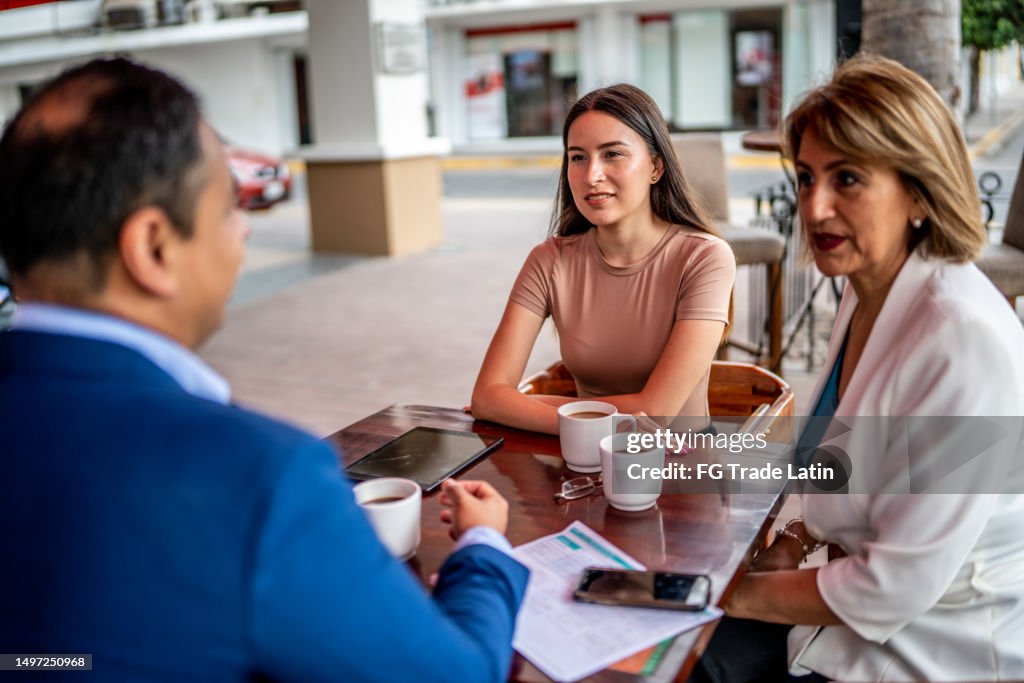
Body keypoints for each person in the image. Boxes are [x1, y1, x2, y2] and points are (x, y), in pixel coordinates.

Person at [0, 58, 528, 682]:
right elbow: (458, 675)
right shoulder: (255, 475)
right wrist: (485, 549)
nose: (243, 232)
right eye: (228, 207)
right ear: (153, 247)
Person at [691, 54, 1024, 682]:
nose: (813, 210)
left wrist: (726, 595)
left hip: (932, 649)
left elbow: (890, 588)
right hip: (846, 607)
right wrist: (795, 535)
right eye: (807, 177)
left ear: (920, 193)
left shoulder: (964, 341)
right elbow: (845, 449)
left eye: (847, 179)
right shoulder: (867, 286)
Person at [471, 84, 736, 435]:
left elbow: (654, 414)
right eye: (578, 157)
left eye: (612, 154)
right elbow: (487, 398)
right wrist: (504, 404)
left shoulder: (704, 258)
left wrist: (524, 407)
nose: (591, 175)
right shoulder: (548, 260)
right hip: (582, 459)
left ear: (656, 166)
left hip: (682, 464)